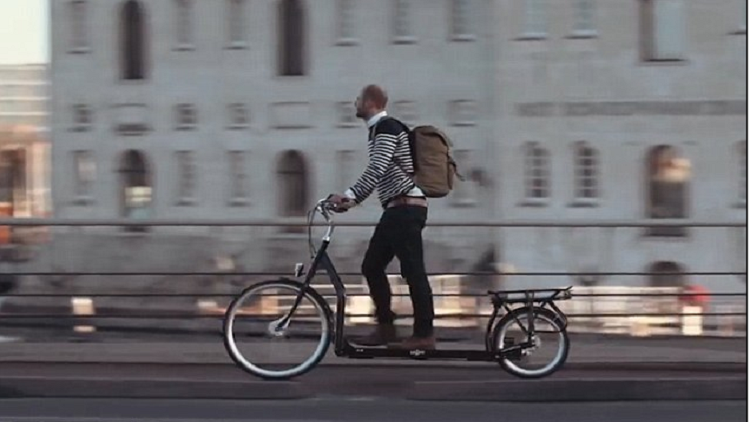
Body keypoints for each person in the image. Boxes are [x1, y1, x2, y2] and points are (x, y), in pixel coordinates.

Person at [329, 84, 436, 350]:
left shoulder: (387, 128)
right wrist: (352, 201)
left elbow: (377, 168)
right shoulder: (379, 129)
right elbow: (380, 170)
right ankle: (386, 328)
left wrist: (350, 196)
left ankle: (424, 335)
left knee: (413, 271)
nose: (355, 103)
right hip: (396, 209)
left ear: (370, 103)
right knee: (372, 266)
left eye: (358, 99)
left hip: (406, 208)